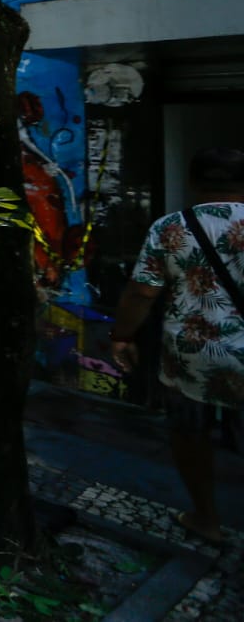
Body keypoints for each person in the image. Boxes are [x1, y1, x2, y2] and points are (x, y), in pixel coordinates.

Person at [111, 147, 244, 546]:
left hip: (192, 353)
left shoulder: (171, 228)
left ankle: (206, 517)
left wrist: (121, 336)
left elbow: (141, 293)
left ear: (193, 182)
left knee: (190, 433)